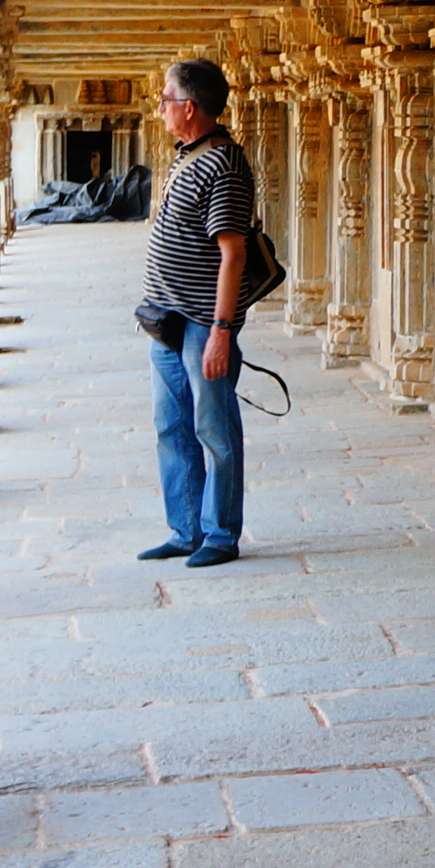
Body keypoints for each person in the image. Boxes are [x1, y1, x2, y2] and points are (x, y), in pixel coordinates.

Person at [137, 57, 256, 567]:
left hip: (203, 322)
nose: (160, 108)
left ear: (189, 107)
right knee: (172, 426)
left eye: (165, 100)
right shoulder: (189, 154)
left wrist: (221, 332)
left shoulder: (223, 163)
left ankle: (220, 534)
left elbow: (233, 252)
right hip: (166, 318)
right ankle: (184, 528)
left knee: (214, 428)